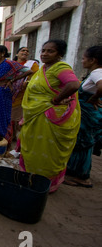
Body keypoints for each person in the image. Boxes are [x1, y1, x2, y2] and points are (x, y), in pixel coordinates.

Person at [19, 40, 81, 193]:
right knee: (33, 148)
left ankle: (44, 183)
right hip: (37, 115)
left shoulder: (60, 68)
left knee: (46, 152)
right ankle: (32, 177)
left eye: (50, 51)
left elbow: (73, 84)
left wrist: (56, 99)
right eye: (43, 50)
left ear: (59, 54)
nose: (45, 54)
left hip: (49, 118)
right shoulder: (44, 69)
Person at [65, 45, 102, 188]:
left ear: (93, 60)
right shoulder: (95, 73)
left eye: (84, 58)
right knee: (84, 143)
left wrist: (94, 98)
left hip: (88, 115)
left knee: (82, 143)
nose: (82, 61)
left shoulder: (97, 72)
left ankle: (80, 176)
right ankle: (79, 173)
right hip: (89, 114)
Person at [12, 47, 39, 148]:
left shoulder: (32, 65)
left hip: (24, 95)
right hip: (11, 94)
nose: (25, 52)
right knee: (10, 118)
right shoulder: (12, 64)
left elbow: (35, 77)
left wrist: (26, 82)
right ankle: (13, 136)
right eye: (22, 50)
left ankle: (21, 141)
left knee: (19, 118)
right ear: (17, 53)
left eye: (27, 51)